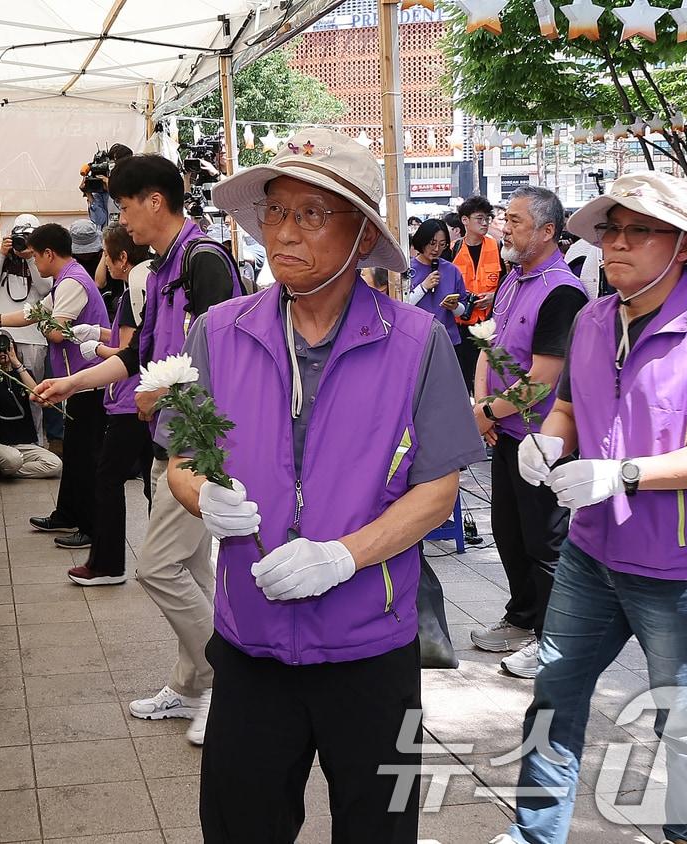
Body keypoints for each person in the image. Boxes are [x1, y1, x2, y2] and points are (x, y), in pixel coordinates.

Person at [171, 128, 484, 843]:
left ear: (363, 234)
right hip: (249, 643)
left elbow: (437, 491)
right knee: (240, 824)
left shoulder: (415, 342)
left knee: (380, 828)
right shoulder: (219, 332)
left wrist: (342, 556)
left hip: (373, 649)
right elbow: (184, 460)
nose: (285, 232)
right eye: (276, 212)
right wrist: (202, 495)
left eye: (313, 214)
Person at [491, 171, 687, 844]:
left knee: (686, 716)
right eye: (610, 228)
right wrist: (546, 445)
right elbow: (565, 408)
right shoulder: (591, 318)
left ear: (682, 247)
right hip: (591, 552)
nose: (614, 243)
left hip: (680, 565)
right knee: (556, 693)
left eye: (636, 229)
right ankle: (534, 832)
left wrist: (627, 474)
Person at [34, 152, 239, 745]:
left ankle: (226, 680)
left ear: (155, 201)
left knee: (156, 566)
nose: (118, 219)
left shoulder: (205, 262)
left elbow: (214, 358)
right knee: (195, 570)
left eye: (123, 206)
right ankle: (190, 683)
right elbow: (136, 356)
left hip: (198, 446)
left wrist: (159, 389)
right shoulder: (164, 265)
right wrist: (72, 382)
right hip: (169, 439)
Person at [469, 186, 589, 679]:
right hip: (505, 430)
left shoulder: (561, 290)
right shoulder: (514, 280)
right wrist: (482, 407)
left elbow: (544, 378)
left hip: (542, 439)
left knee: (545, 541)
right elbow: (487, 343)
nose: (504, 226)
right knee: (509, 532)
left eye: (515, 220)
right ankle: (522, 618)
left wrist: (490, 412)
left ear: (546, 231)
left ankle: (552, 637)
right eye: (505, 217)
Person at [0, 224, 112, 548]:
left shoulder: (73, 282)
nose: (34, 263)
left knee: (85, 456)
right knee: (74, 453)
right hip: (78, 377)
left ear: (49, 254)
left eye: (35, 256)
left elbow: (56, 331)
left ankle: (89, 527)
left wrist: (46, 326)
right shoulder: (66, 280)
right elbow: (36, 313)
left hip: (89, 378)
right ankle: (67, 513)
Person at [65, 223, 154, 585]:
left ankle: (108, 563)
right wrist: (98, 334)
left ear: (121, 257)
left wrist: (97, 349)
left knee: (108, 477)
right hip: (136, 397)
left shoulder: (136, 284)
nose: (102, 261)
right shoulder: (134, 287)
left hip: (130, 400)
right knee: (149, 481)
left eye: (105, 254)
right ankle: (153, 560)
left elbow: (130, 351)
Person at [0, 214, 56, 443]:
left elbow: (44, 289)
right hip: (4, 333)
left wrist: (31, 257)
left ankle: (37, 441)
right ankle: (3, 440)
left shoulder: (42, 258)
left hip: (33, 337)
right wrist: (3, 253)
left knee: (34, 393)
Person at [0, 333, 62, 479]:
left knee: (54, 464)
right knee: (13, 459)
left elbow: (38, 397)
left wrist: (16, 362)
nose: (1, 351)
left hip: (19, 444)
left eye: (5, 346)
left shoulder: (22, 373)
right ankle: (7, 465)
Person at [454, 195, 505, 389]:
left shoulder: (497, 246)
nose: (485, 223)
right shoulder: (454, 249)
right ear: (465, 220)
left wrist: (494, 297)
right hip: (461, 324)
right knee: (465, 377)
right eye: (479, 219)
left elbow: (507, 281)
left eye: (487, 219)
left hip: (490, 323)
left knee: (490, 376)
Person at [406, 219, 468, 375]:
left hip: (447, 341)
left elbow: (463, 309)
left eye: (442, 244)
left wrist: (454, 307)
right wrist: (423, 287)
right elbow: (401, 305)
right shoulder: (407, 270)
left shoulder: (452, 270)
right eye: (432, 243)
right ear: (422, 240)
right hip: (416, 341)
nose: (436, 249)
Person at [84, 143, 134, 228]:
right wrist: (89, 195)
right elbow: (99, 220)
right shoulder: (102, 185)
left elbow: (131, 213)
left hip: (128, 235)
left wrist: (112, 189)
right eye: (111, 162)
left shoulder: (133, 184)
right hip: (108, 236)